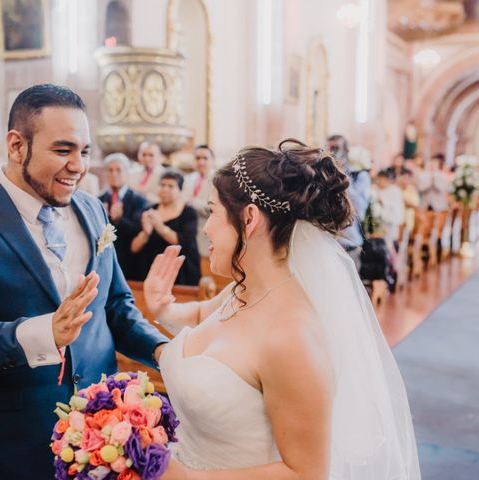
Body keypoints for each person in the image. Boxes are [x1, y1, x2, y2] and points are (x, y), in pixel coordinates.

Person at [0, 84, 168, 480]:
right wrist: (44, 333)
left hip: (101, 443)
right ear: (16, 146)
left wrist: (165, 353)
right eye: (63, 150)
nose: (79, 166)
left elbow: (115, 307)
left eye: (85, 151)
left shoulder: (91, 208)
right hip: (8, 449)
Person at [145, 139, 420, 479]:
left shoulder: (292, 338)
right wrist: (165, 309)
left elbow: (305, 473)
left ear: (248, 219)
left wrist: (182, 476)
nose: (206, 227)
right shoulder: (243, 289)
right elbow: (206, 318)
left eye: (212, 212)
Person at [131, 170, 200, 286]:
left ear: (180, 190)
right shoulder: (149, 210)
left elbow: (185, 242)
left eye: (171, 186)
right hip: (151, 270)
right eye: (162, 185)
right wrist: (145, 233)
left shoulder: (188, 212)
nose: (165, 189)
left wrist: (160, 226)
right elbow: (133, 248)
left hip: (181, 272)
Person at [99, 153, 148, 280]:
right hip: (105, 262)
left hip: (131, 262)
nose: (114, 174)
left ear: (127, 173)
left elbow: (139, 228)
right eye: (110, 170)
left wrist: (120, 219)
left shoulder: (139, 200)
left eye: (118, 170)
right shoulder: (99, 200)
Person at [326, 135, 371, 271]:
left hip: (349, 242)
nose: (331, 153)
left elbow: (359, 209)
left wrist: (342, 175)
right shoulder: (323, 174)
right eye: (328, 148)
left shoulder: (359, 176)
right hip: (327, 243)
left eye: (335, 148)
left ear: (346, 151)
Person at [182, 144, 215, 257]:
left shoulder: (217, 181)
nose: (201, 162)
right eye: (197, 158)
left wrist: (191, 202)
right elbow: (182, 200)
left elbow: (211, 207)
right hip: (189, 231)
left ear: (212, 161)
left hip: (207, 230)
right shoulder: (188, 179)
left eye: (205, 158)